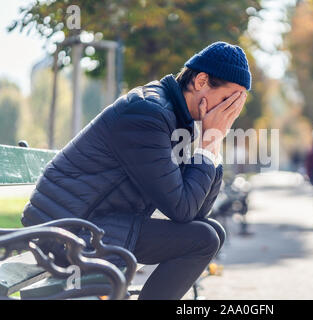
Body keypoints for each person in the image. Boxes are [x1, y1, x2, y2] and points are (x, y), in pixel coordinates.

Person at [21, 41, 251, 300]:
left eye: (235, 105)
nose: (229, 113)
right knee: (204, 238)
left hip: (95, 223)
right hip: (65, 233)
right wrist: (208, 142)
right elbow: (183, 209)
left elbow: (196, 211)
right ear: (200, 81)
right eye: (227, 100)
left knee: (211, 233)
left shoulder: (178, 118)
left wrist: (212, 141)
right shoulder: (147, 114)